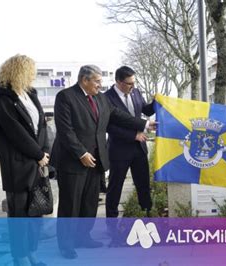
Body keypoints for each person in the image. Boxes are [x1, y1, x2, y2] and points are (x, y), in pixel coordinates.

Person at [50, 65, 155, 259]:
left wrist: (145, 124)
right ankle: (66, 244)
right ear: (85, 80)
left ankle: (83, 237)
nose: (100, 85)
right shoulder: (66, 97)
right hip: (74, 161)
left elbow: (118, 116)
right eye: (97, 81)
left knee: (90, 202)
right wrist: (81, 152)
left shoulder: (100, 98)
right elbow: (65, 130)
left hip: (97, 159)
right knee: (70, 204)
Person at [0, 54, 49, 266]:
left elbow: (41, 124)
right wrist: (39, 154)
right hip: (17, 164)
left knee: (35, 214)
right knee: (19, 215)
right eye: (31, 70)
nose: (34, 75)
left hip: (37, 163)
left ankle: (31, 252)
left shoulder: (29, 94)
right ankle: (20, 256)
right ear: (19, 71)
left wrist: (45, 152)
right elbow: (15, 132)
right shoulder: (3, 98)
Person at [104, 66, 155, 218]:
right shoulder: (106, 98)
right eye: (129, 84)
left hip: (139, 149)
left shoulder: (136, 92)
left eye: (134, 83)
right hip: (119, 150)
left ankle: (148, 214)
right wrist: (132, 135)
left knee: (143, 184)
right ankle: (111, 221)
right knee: (115, 187)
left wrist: (155, 103)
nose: (133, 87)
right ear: (119, 82)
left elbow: (146, 110)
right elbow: (109, 126)